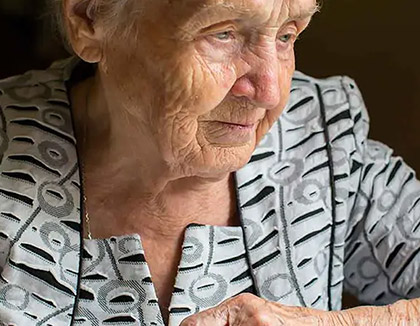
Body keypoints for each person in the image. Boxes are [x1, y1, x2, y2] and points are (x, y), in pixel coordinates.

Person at [0, 0, 419, 325]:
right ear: (89, 18)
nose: (270, 91)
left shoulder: (320, 139)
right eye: (223, 34)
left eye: (288, 35)